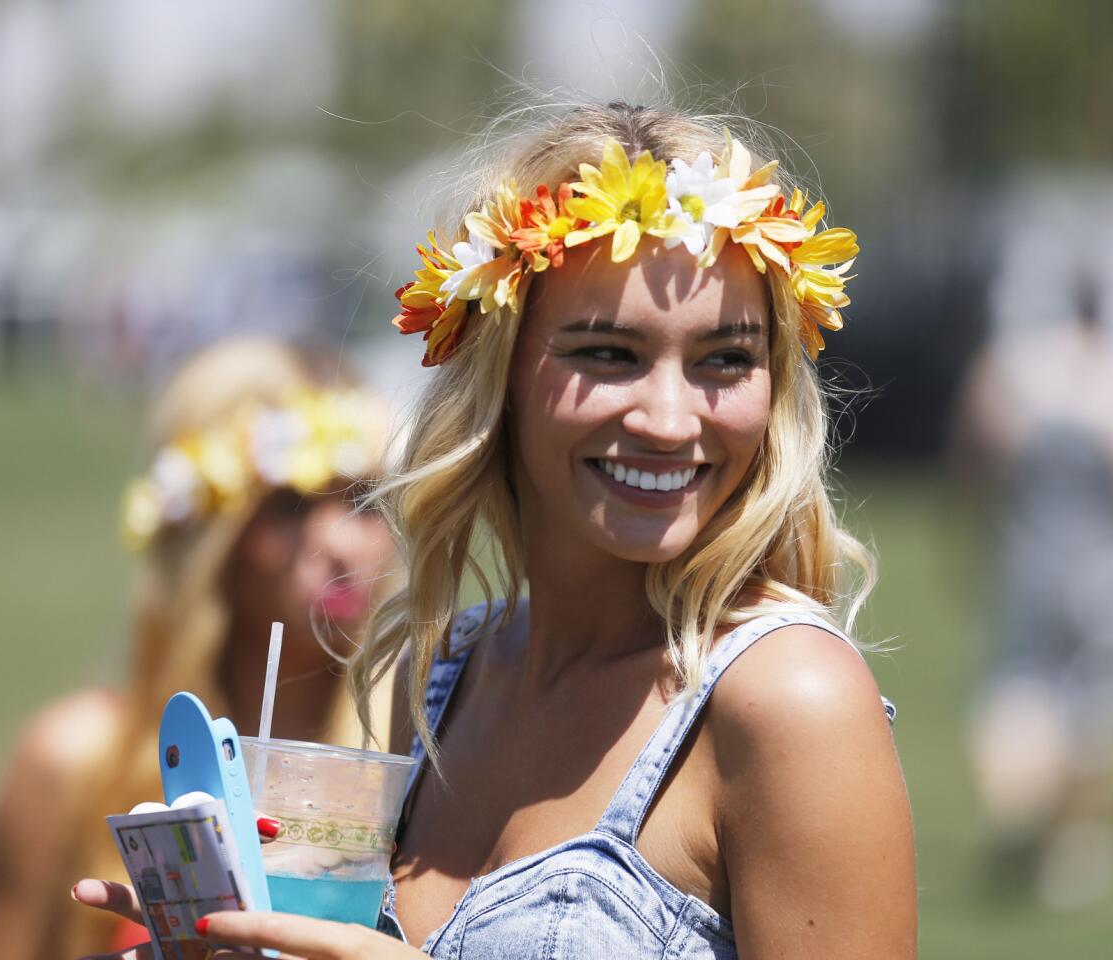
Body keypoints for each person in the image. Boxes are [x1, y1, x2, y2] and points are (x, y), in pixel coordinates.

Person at [76, 101, 917, 958]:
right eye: (607, 354)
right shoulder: (436, 676)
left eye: (727, 358)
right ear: (497, 373)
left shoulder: (787, 700)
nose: (670, 417)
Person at [0, 337, 398, 960]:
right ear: (208, 537)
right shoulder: (72, 761)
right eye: (290, 504)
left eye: (363, 500)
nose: (339, 542)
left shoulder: (424, 749)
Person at [954, 278, 1113, 909]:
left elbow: (976, 442)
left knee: (1022, 686)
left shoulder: (1022, 364)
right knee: (1100, 704)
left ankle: (1032, 810)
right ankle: (1077, 840)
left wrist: (973, 528)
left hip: (1030, 557)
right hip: (1106, 569)